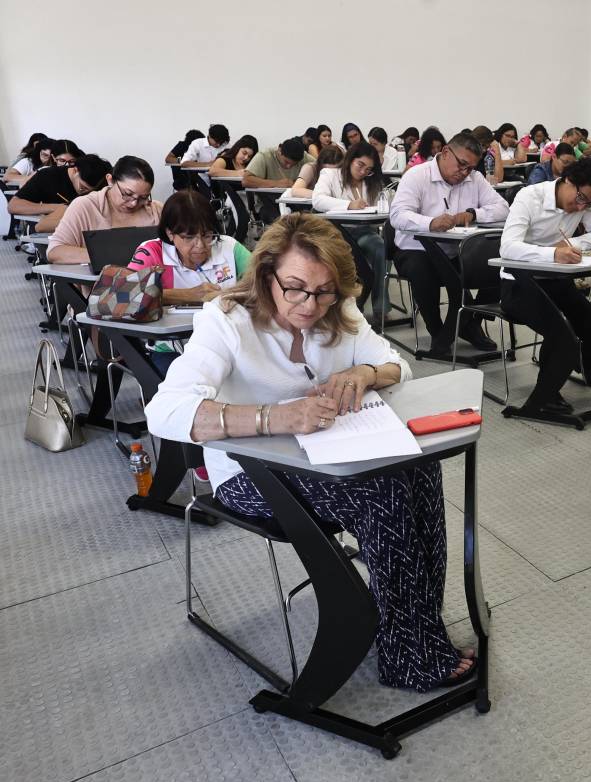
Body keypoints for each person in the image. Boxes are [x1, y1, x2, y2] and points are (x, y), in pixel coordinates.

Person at [143, 213, 475, 692]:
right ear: (266, 274)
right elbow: (165, 411)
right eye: (295, 288)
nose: (308, 304)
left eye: (324, 292)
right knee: (381, 492)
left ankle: (417, 626)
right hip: (248, 475)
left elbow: (396, 365)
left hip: (322, 455)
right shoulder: (227, 320)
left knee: (420, 471)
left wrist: (364, 375)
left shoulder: (338, 311)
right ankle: (409, 654)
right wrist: (273, 417)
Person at [498, 159, 591, 415]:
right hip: (519, 283)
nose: (582, 206)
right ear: (568, 180)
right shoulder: (529, 197)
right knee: (564, 339)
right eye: (581, 198)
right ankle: (543, 398)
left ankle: (583, 365)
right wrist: (552, 253)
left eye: (589, 204)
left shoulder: (585, 201)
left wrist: (572, 244)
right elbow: (507, 247)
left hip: (556, 281)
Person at [389, 131, 510, 357]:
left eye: (470, 168)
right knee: (422, 270)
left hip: (456, 251)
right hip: (415, 249)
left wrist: (473, 214)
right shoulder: (417, 175)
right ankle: (438, 331)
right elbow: (397, 215)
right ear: (445, 152)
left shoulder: (473, 178)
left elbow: (503, 208)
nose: (464, 173)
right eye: (461, 164)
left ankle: (469, 323)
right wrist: (430, 222)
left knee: (498, 268)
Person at [127, 190, 252, 374]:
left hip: (229, 344)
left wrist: (229, 296)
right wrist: (189, 295)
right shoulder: (152, 252)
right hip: (173, 349)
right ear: (170, 233)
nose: (200, 245)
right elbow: (123, 296)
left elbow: (266, 284)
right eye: (189, 237)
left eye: (207, 235)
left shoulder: (228, 247)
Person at [313, 141, 390, 323]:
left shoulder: (371, 182)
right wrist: (349, 205)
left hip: (363, 231)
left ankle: (380, 306)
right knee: (350, 257)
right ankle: (352, 304)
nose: (363, 172)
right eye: (360, 165)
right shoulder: (330, 174)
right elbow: (318, 200)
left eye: (368, 169)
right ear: (349, 160)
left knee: (381, 247)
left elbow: (381, 207)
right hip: (336, 233)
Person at [48, 155, 164, 264]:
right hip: (98, 284)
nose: (133, 203)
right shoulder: (85, 206)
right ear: (110, 180)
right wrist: (108, 256)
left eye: (143, 198)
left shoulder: (156, 210)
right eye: (127, 194)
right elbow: (55, 251)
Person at [10, 154, 109, 233]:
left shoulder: (103, 182)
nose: (86, 193)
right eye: (83, 187)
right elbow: (13, 206)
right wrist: (55, 207)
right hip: (54, 233)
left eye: (91, 191)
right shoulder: (48, 176)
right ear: (75, 170)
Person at [244, 137, 314, 223]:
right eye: (286, 162)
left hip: (296, 202)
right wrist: (277, 183)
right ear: (280, 150)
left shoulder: (304, 157)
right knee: (280, 222)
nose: (289, 166)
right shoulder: (264, 156)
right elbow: (246, 180)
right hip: (267, 203)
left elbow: (321, 170)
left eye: (294, 164)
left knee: (309, 220)